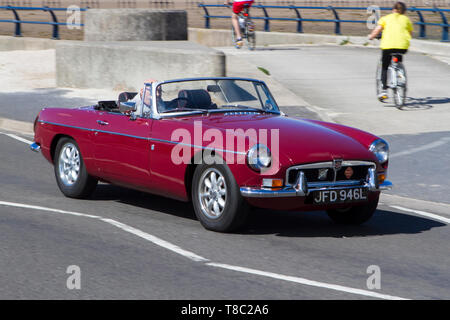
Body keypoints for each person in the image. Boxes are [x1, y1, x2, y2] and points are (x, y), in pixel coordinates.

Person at [369, 2, 413, 101]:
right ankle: (400, 76)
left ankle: (384, 90)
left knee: (385, 66)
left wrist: (371, 37)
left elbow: (377, 30)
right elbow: (410, 33)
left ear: (393, 9)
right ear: (404, 11)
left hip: (388, 47)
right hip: (402, 47)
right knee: (398, 60)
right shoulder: (406, 19)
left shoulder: (386, 18)